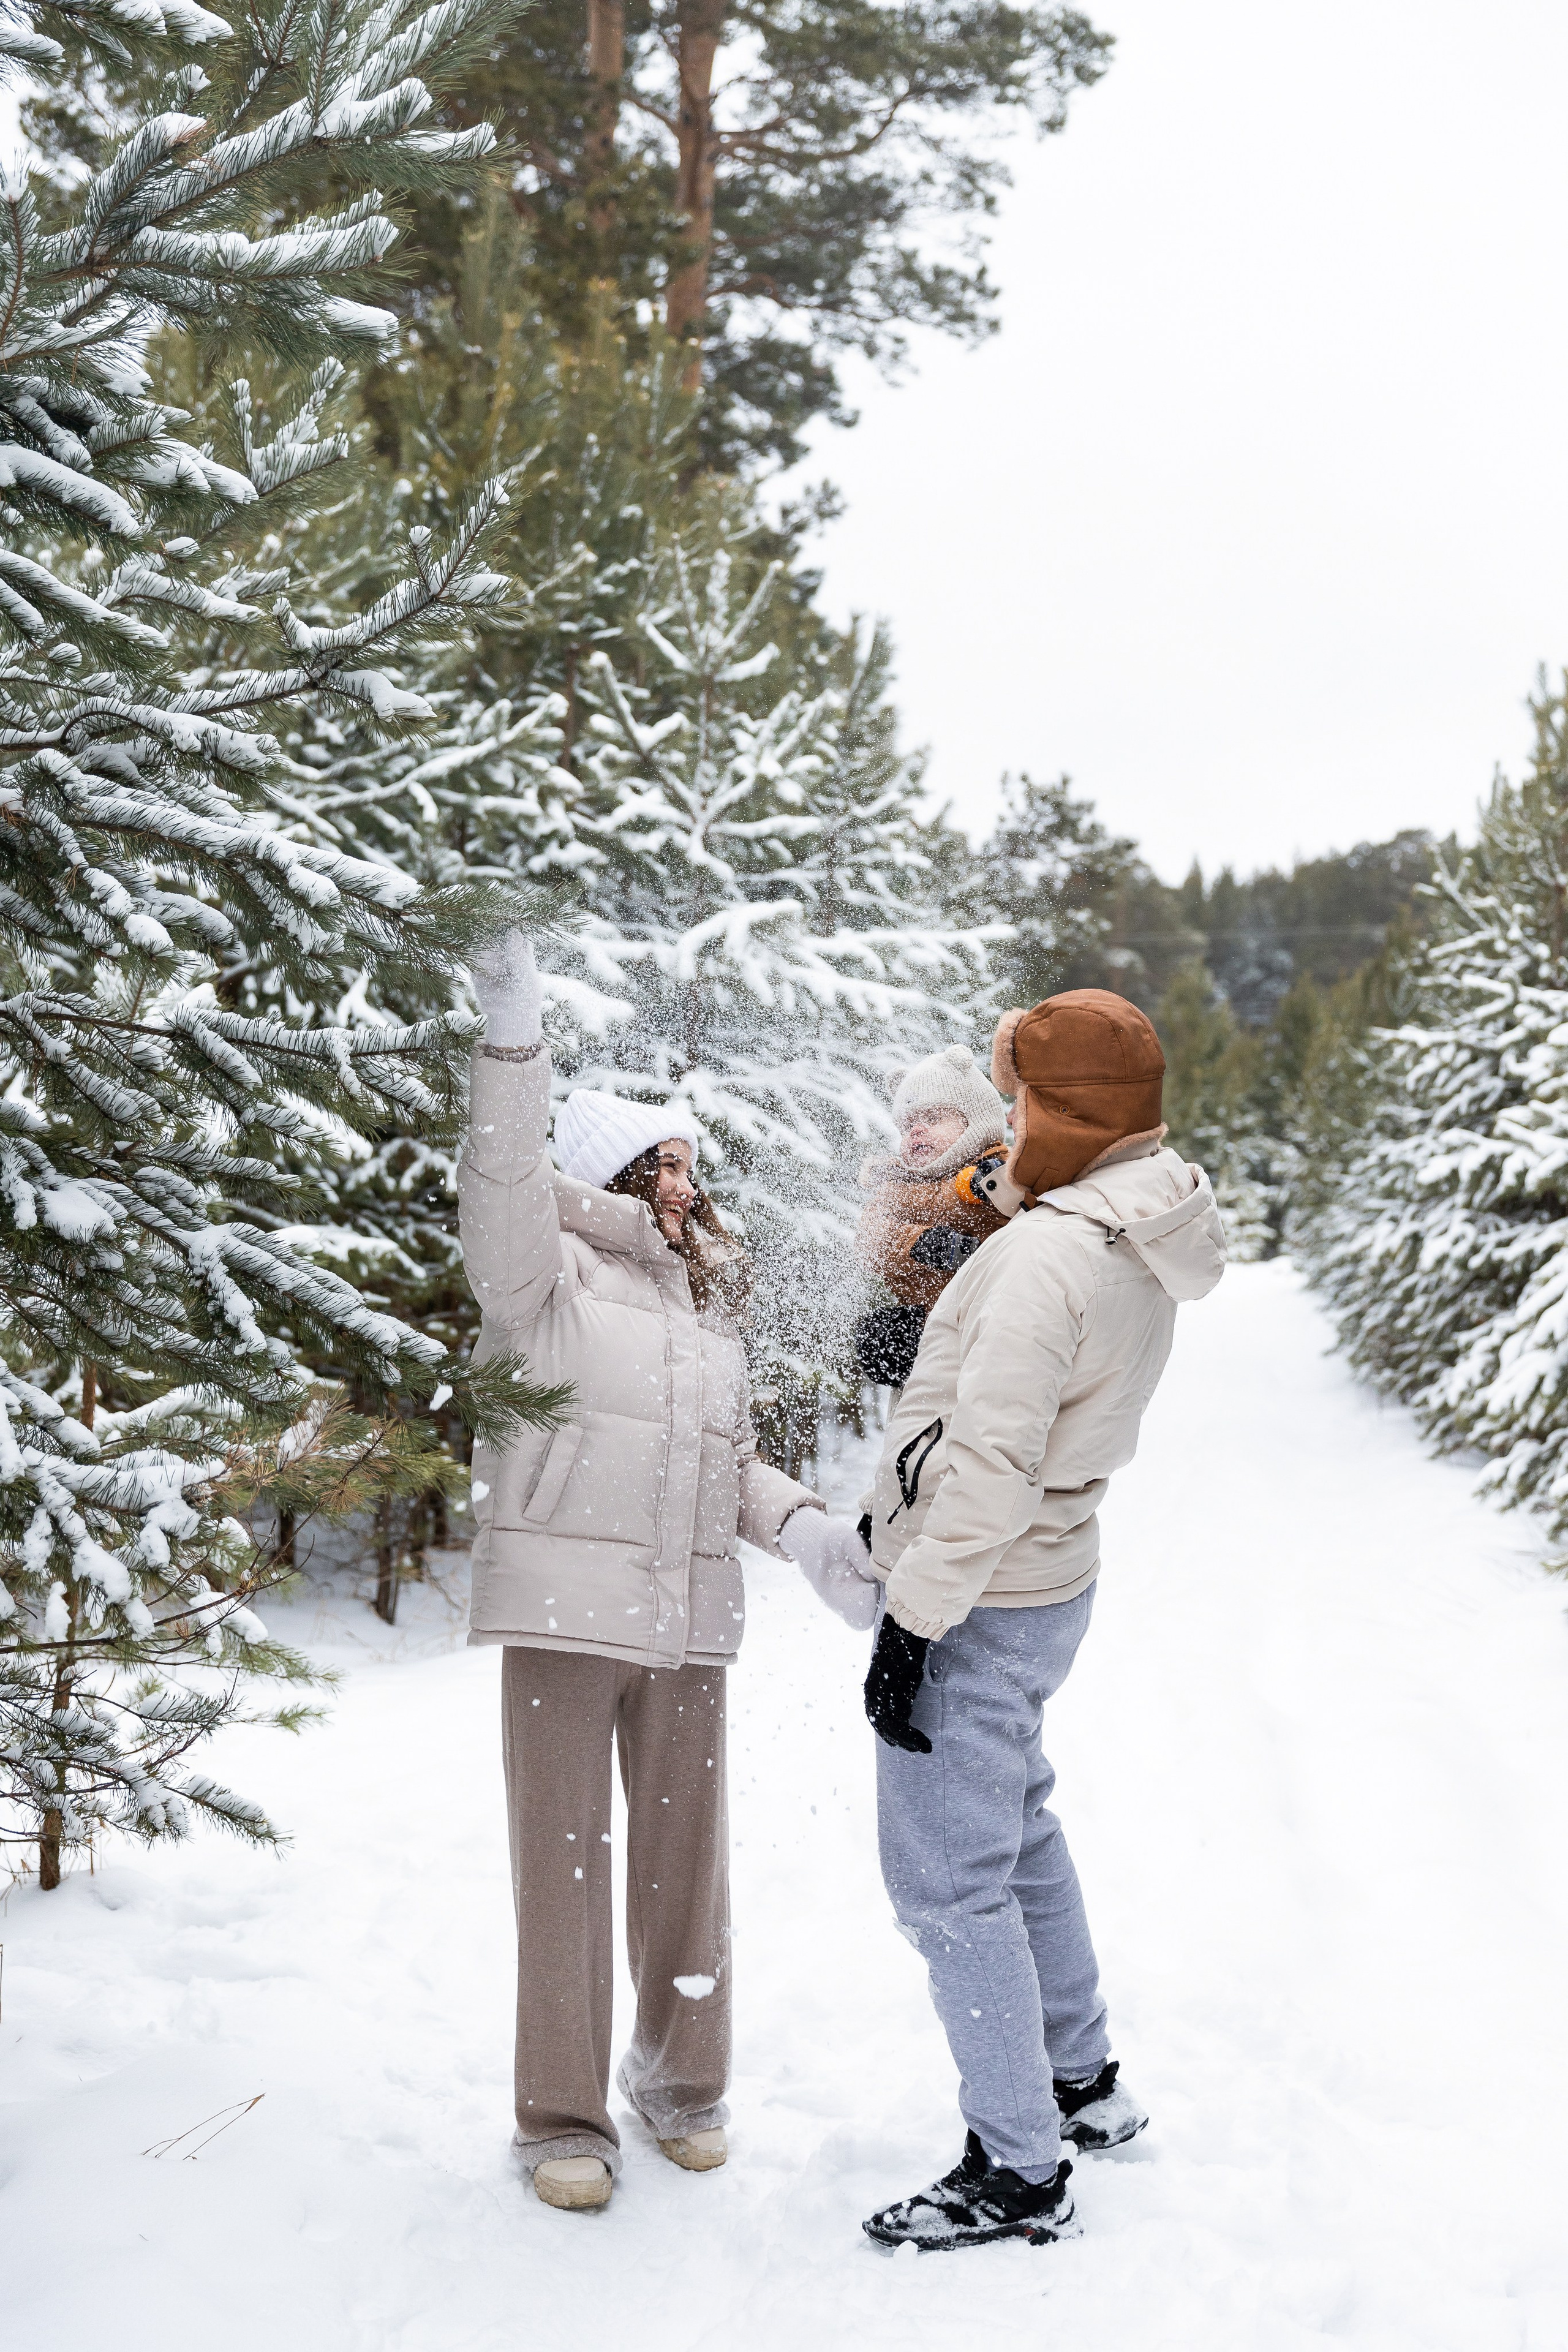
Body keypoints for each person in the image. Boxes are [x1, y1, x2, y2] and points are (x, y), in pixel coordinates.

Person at [458, 930, 875, 2215]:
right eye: (666, 1160)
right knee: (566, 1868)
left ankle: (680, 2084)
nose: (688, 1182)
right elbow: (501, 1174)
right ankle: (562, 2120)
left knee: (687, 1868)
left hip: (689, 1620)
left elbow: (730, 1456)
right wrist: (513, 1037)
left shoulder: (707, 1302)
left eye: (695, 1162)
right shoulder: (544, 1277)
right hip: (564, 1615)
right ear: (612, 1168)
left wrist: (806, 1532)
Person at [856, 988, 1228, 2253]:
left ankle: (1016, 2167)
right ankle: (1079, 2082)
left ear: (1062, 1110)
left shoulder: (1046, 1262)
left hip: (979, 1589)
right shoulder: (1125, 1215)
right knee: (1012, 1830)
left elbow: (987, 1466)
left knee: (948, 1887)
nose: (999, 1121)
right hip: (1049, 1576)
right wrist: (985, 1210)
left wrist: (909, 1627)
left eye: (1017, 1099)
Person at [853, 1044, 1011, 1389]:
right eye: (907, 1125)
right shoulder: (896, 1183)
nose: (917, 1131)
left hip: (996, 1325)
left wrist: (975, 1187)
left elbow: (1014, 1209)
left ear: (975, 1121)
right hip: (928, 1324)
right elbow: (871, 1238)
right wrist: (921, 1242)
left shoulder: (1001, 1170)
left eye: (933, 1118)